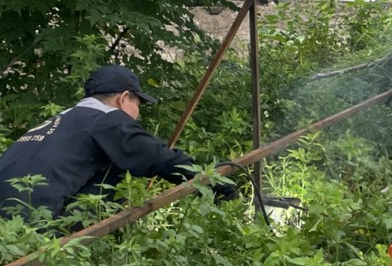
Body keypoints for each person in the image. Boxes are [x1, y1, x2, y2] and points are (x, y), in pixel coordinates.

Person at [0, 65, 236, 220]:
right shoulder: (106, 120)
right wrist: (213, 180)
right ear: (124, 98)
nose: (137, 114)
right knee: (118, 163)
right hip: (38, 229)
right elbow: (156, 157)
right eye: (138, 105)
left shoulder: (61, 121)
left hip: (9, 230)